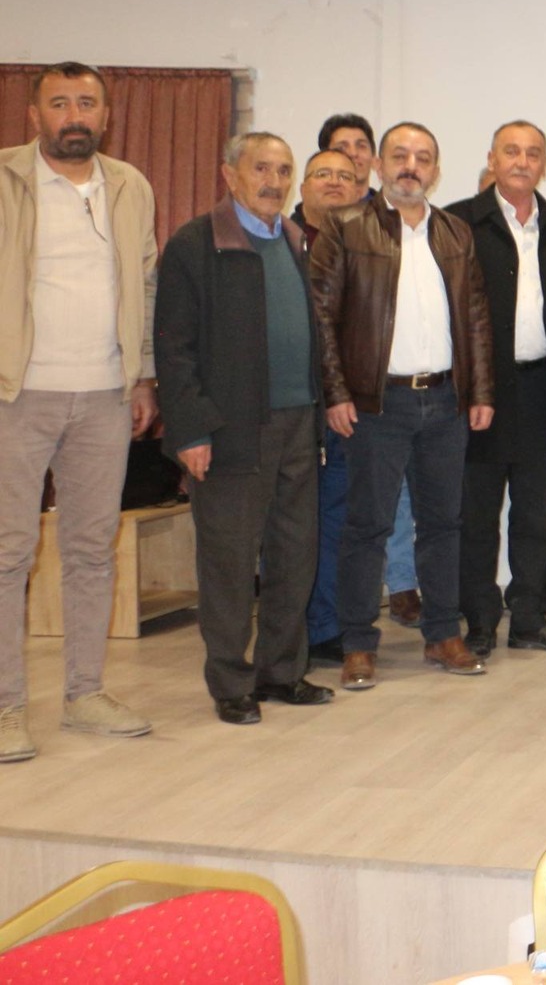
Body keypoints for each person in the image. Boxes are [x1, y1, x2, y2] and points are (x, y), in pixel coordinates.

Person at [0, 62, 158, 763]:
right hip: (15, 393)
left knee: (92, 551)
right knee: (7, 554)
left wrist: (142, 376)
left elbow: (145, 284)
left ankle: (85, 692)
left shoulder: (130, 186)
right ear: (34, 115)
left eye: (86, 103)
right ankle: (5, 706)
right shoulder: (5, 178)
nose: (74, 115)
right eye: (59, 103)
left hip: (104, 396)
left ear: (106, 115)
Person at [309, 122, 494, 691]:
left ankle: (443, 635)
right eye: (400, 156)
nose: (411, 166)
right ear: (379, 166)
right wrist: (337, 393)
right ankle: (358, 645)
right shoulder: (345, 226)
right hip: (376, 405)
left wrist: (481, 392)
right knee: (367, 527)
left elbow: (476, 317)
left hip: (445, 402)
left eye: (423, 158)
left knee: (443, 525)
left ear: (435, 171)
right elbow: (322, 318)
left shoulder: (456, 233)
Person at [156, 132, 331, 725]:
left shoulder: (295, 240)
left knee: (294, 556)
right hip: (231, 428)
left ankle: (282, 672)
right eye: (261, 168)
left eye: (283, 170)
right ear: (229, 175)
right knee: (230, 563)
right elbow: (174, 349)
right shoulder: (194, 244)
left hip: (299, 423)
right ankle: (231, 682)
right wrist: (190, 431)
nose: (273, 181)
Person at [448, 121, 546, 657]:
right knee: (477, 517)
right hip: (480, 396)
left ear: (544, 164)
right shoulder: (459, 223)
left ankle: (530, 620)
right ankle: (480, 622)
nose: (522, 161)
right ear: (492, 159)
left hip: (543, 392)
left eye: (533, 153)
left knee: (537, 517)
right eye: (511, 151)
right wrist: (464, 393)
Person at [317, 112, 420, 629]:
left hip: (380, 395)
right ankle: (329, 616)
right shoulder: (309, 227)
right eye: (341, 149)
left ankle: (400, 585)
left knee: (394, 498)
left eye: (360, 147)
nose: (352, 156)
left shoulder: (394, 223)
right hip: (327, 394)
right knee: (337, 509)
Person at [293, 148, 361, 663]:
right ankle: (289, 628)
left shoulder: (368, 246)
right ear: (303, 188)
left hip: (346, 410)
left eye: (345, 176)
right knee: (291, 523)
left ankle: (326, 626)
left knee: (337, 518)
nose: (335, 183)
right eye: (323, 175)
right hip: (290, 407)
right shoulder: (280, 240)